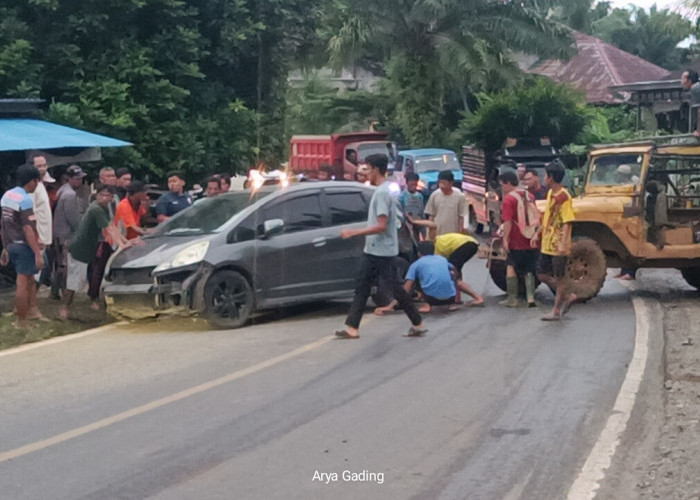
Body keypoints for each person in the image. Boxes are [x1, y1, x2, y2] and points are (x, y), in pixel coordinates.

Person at [334, 154, 426, 339]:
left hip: (380, 250)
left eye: (367, 169)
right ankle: (353, 327)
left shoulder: (382, 193)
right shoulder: (384, 191)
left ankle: (416, 322)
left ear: (376, 169)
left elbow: (381, 226)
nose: (365, 173)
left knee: (387, 287)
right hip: (377, 249)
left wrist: (354, 232)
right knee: (368, 286)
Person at [60, 185, 130, 319]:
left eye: (107, 195)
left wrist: (124, 241)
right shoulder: (96, 209)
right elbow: (109, 229)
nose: (104, 197)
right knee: (74, 282)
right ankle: (64, 309)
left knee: (88, 277)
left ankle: (77, 306)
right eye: (101, 194)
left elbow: (112, 227)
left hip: (89, 249)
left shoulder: (104, 209)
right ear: (96, 195)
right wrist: (122, 243)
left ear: (111, 198)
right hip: (80, 249)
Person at [374, 241, 479, 314]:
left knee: (418, 276)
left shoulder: (416, 264)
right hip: (450, 297)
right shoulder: (442, 259)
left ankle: (427, 305)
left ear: (419, 253)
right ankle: (457, 303)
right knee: (449, 275)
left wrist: (390, 306)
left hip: (432, 299)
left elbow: (406, 288)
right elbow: (455, 272)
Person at [0, 164, 45, 329]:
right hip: (23, 245)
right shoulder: (25, 200)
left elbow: (3, 223)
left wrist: (5, 246)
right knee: (22, 283)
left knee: (30, 280)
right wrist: (37, 254)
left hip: (11, 244)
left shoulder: (7, 195)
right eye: (37, 181)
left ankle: (32, 310)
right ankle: (21, 320)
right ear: (32, 181)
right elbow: (28, 229)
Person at [537, 161, 576, 321]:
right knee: (542, 274)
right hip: (547, 243)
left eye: (546, 175)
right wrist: (538, 233)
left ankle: (555, 310)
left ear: (551, 177)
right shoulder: (550, 194)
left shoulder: (563, 196)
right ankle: (568, 294)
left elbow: (568, 221)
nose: (544, 178)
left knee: (559, 277)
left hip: (558, 244)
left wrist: (563, 242)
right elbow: (548, 217)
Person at [499, 171, 540, 308]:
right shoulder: (530, 195)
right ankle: (530, 297)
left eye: (502, 185)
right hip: (530, 237)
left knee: (511, 266)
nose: (502, 188)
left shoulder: (509, 199)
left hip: (516, 239)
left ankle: (512, 299)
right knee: (529, 268)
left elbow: (508, 222)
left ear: (508, 183)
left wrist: (505, 239)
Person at [52, 165, 87, 300]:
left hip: (59, 233)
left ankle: (55, 291)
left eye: (81, 179)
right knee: (65, 266)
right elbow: (74, 219)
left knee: (60, 264)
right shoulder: (70, 194)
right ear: (70, 179)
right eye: (78, 179)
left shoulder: (62, 190)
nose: (80, 182)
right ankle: (63, 291)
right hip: (66, 235)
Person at [28, 155, 54, 291]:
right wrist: (36, 237)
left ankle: (31, 304)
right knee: (36, 272)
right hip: (37, 237)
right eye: (39, 166)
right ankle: (28, 305)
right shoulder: (32, 188)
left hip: (44, 236)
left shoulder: (41, 185)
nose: (43, 169)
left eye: (44, 165)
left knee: (40, 271)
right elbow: (30, 215)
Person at [424, 170, 467, 236]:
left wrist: (461, 233)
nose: (441, 186)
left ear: (451, 183)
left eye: (444, 183)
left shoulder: (460, 196)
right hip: (438, 234)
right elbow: (431, 215)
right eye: (440, 183)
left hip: (454, 235)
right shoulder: (435, 195)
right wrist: (430, 233)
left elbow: (462, 216)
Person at [681, 69, 700, 137]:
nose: (682, 82)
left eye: (683, 79)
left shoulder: (695, 88)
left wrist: (698, 131)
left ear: (689, 80)